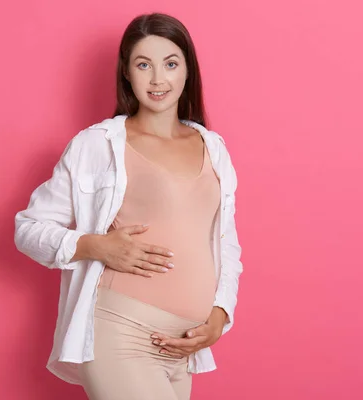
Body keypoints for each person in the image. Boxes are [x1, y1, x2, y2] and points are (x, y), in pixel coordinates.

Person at [14, 12, 243, 400]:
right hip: (120, 333)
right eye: (143, 64)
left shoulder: (213, 147)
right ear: (126, 73)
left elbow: (226, 245)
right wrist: (94, 246)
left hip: (184, 348)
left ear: (188, 70)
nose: (158, 79)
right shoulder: (97, 145)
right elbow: (28, 229)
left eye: (170, 64)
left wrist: (220, 316)